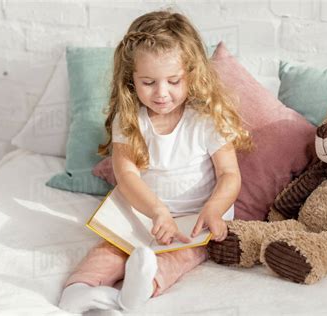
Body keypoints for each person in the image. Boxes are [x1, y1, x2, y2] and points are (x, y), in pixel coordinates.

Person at [58, 9, 252, 314]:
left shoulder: (206, 118)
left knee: (181, 257)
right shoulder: (130, 117)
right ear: (132, 80)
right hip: (144, 212)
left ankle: (141, 287)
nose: (162, 93)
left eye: (174, 81)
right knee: (109, 249)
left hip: (194, 217)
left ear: (192, 74)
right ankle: (80, 290)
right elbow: (126, 173)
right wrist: (157, 212)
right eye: (149, 82)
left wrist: (213, 209)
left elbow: (229, 174)